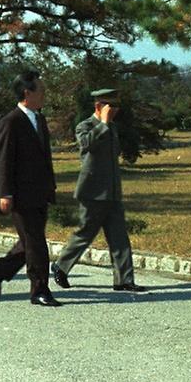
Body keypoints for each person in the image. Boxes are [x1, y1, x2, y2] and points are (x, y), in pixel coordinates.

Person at [51, 89, 145, 292]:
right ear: (98, 106)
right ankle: (61, 266)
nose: (115, 111)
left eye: (116, 107)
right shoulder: (85, 126)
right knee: (85, 233)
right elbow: (86, 144)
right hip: (92, 192)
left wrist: (107, 125)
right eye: (111, 107)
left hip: (111, 191)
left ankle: (124, 280)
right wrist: (102, 123)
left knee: (119, 236)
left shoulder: (112, 128)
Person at [0, 70, 62, 307]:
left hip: (40, 191)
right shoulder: (11, 121)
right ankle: (39, 290)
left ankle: (0, 269)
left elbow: (44, 156)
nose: (44, 94)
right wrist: (5, 192)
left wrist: (51, 185)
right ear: (27, 93)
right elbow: (4, 160)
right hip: (20, 194)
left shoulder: (39, 119)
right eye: (41, 90)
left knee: (29, 241)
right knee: (37, 242)